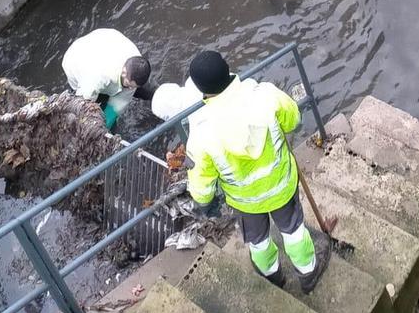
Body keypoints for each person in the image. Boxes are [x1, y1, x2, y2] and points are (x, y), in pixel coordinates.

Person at [185, 49, 329, 293]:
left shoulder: (200, 131)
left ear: (201, 89)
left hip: (246, 202)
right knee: (294, 231)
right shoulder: (264, 95)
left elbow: (201, 188)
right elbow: (293, 119)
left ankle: (273, 277)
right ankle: (308, 274)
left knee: (258, 241)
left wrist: (205, 203)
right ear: (227, 68)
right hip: (281, 186)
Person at [62, 28, 155, 131]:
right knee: (94, 112)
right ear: (124, 72)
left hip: (107, 40)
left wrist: (107, 122)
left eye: (133, 86)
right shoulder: (97, 78)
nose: (130, 88)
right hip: (75, 60)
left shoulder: (137, 63)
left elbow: (116, 106)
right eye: (129, 84)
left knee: (146, 91)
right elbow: (82, 105)